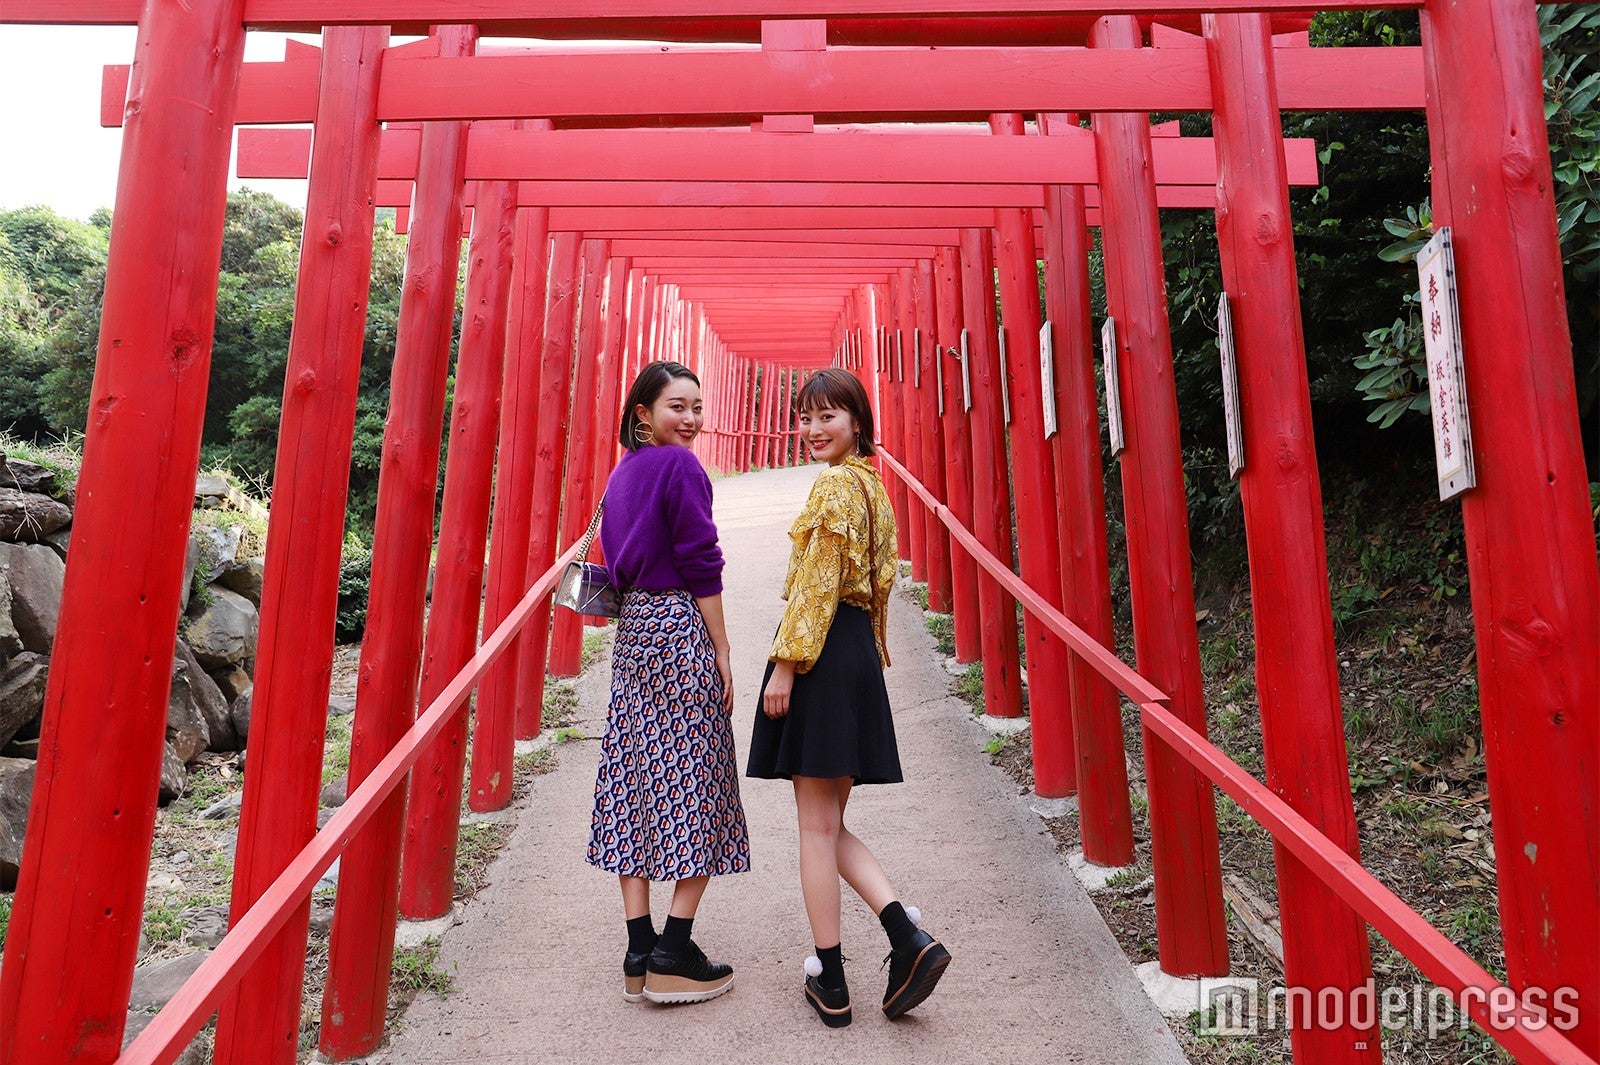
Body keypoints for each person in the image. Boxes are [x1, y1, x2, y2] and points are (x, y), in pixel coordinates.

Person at [746, 368, 952, 1028]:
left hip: (823, 651)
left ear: (858, 421)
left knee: (813, 826)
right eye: (806, 417)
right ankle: (906, 937)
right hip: (858, 650)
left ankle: (831, 979)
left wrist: (785, 666)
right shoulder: (872, 486)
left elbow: (816, 585)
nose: (813, 428)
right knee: (829, 824)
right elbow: (878, 582)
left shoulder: (836, 483)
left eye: (828, 416)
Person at [586, 360, 750, 1006]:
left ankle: (638, 947)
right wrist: (723, 647)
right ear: (643, 414)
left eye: (697, 406)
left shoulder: (621, 472)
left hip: (634, 635)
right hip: (680, 624)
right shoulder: (681, 468)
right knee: (700, 778)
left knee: (636, 777)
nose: (690, 418)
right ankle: (674, 950)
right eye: (676, 405)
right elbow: (700, 559)